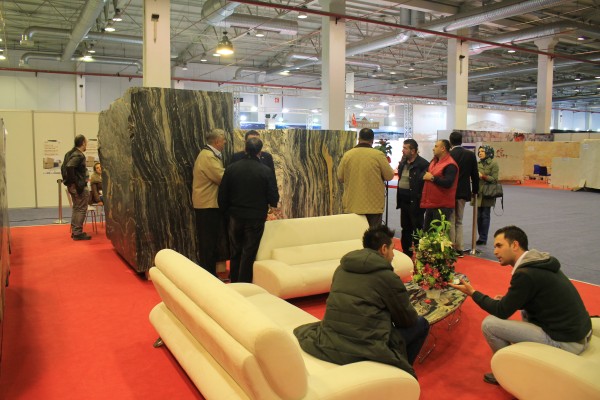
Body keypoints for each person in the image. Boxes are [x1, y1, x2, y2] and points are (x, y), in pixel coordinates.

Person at [450, 225, 592, 385]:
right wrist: (508, 300)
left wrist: (472, 293)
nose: (495, 251)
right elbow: (533, 296)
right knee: (523, 311)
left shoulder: (526, 274)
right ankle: (525, 360)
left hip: (567, 342)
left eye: (499, 246)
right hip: (579, 334)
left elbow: (501, 311)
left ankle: (507, 372)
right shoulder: (538, 262)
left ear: (515, 245)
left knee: (489, 325)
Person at [293, 225, 430, 378]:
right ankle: (399, 375)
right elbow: (406, 320)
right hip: (364, 346)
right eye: (393, 249)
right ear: (384, 249)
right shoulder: (387, 277)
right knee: (421, 324)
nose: (393, 255)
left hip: (330, 338)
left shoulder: (341, 268)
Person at [218, 137, 279, 283]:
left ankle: (235, 282)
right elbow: (273, 197)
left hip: (235, 215)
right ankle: (244, 284)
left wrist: (227, 212)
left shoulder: (232, 168)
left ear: (245, 149)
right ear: (260, 152)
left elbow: (222, 195)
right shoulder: (265, 171)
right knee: (249, 252)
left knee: (235, 250)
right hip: (255, 217)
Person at [337, 128, 395, 229]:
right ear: (372, 140)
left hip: (353, 204)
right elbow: (389, 176)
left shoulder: (348, 155)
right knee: (373, 235)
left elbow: (340, 177)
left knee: (355, 233)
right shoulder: (378, 155)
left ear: (359, 139)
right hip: (374, 205)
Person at [192, 129, 227, 276]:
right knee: (208, 243)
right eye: (224, 140)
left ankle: (209, 273)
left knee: (209, 242)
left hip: (207, 204)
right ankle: (208, 275)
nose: (225, 143)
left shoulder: (208, 154)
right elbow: (221, 177)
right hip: (207, 205)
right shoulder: (208, 157)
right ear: (217, 141)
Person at [395, 139, 429, 258]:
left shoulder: (423, 164)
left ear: (413, 151)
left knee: (417, 229)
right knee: (405, 228)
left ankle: (420, 254)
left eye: (405, 148)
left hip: (416, 202)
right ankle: (407, 253)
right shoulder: (403, 163)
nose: (402, 150)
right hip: (404, 202)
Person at [449, 132, 479, 255]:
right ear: (461, 141)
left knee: (451, 220)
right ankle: (460, 248)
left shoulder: (449, 155)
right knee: (459, 220)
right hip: (463, 191)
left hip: (449, 191)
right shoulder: (470, 155)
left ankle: (451, 247)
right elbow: (475, 174)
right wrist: (475, 191)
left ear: (450, 141)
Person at [421, 139, 458, 231]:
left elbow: (448, 183)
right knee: (427, 233)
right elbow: (426, 174)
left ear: (443, 149)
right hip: (431, 204)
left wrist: (432, 178)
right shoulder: (434, 162)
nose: (433, 149)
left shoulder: (450, 164)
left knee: (438, 235)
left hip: (442, 206)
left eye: (436, 146)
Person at [63, 134, 91, 241]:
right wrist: (76, 183)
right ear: (83, 143)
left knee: (76, 208)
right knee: (81, 209)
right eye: (86, 142)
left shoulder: (68, 154)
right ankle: (78, 233)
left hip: (72, 186)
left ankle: (75, 231)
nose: (86, 144)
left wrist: (70, 182)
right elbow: (69, 166)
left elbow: (65, 167)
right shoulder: (79, 155)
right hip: (78, 186)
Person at [475, 145, 499, 245]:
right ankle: (480, 236)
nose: (480, 153)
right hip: (478, 193)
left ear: (488, 153)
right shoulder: (477, 164)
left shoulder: (494, 164)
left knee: (485, 215)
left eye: (482, 151)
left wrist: (483, 176)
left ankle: (483, 238)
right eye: (479, 151)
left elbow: (494, 179)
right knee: (478, 217)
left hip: (488, 193)